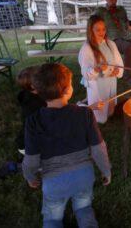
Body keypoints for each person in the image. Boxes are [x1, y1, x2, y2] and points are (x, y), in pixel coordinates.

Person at [22, 63, 111, 228]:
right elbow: (99, 148)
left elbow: (31, 159)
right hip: (84, 176)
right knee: (84, 209)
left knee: (52, 220)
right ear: (67, 90)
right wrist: (106, 170)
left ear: (39, 92)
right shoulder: (85, 113)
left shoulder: (33, 122)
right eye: (70, 83)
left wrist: (30, 177)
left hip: (54, 182)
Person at [79, 15, 124, 124]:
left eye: (103, 29)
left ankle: (108, 112)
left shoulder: (110, 44)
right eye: (98, 30)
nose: (101, 32)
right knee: (99, 117)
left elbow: (119, 63)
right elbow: (86, 73)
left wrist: (117, 71)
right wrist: (96, 69)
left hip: (111, 82)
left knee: (111, 111)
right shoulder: (87, 48)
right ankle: (84, 106)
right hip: (97, 83)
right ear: (91, 30)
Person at [15, 66, 47, 155]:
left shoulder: (33, 94)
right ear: (33, 86)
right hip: (28, 145)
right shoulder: (35, 105)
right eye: (43, 79)